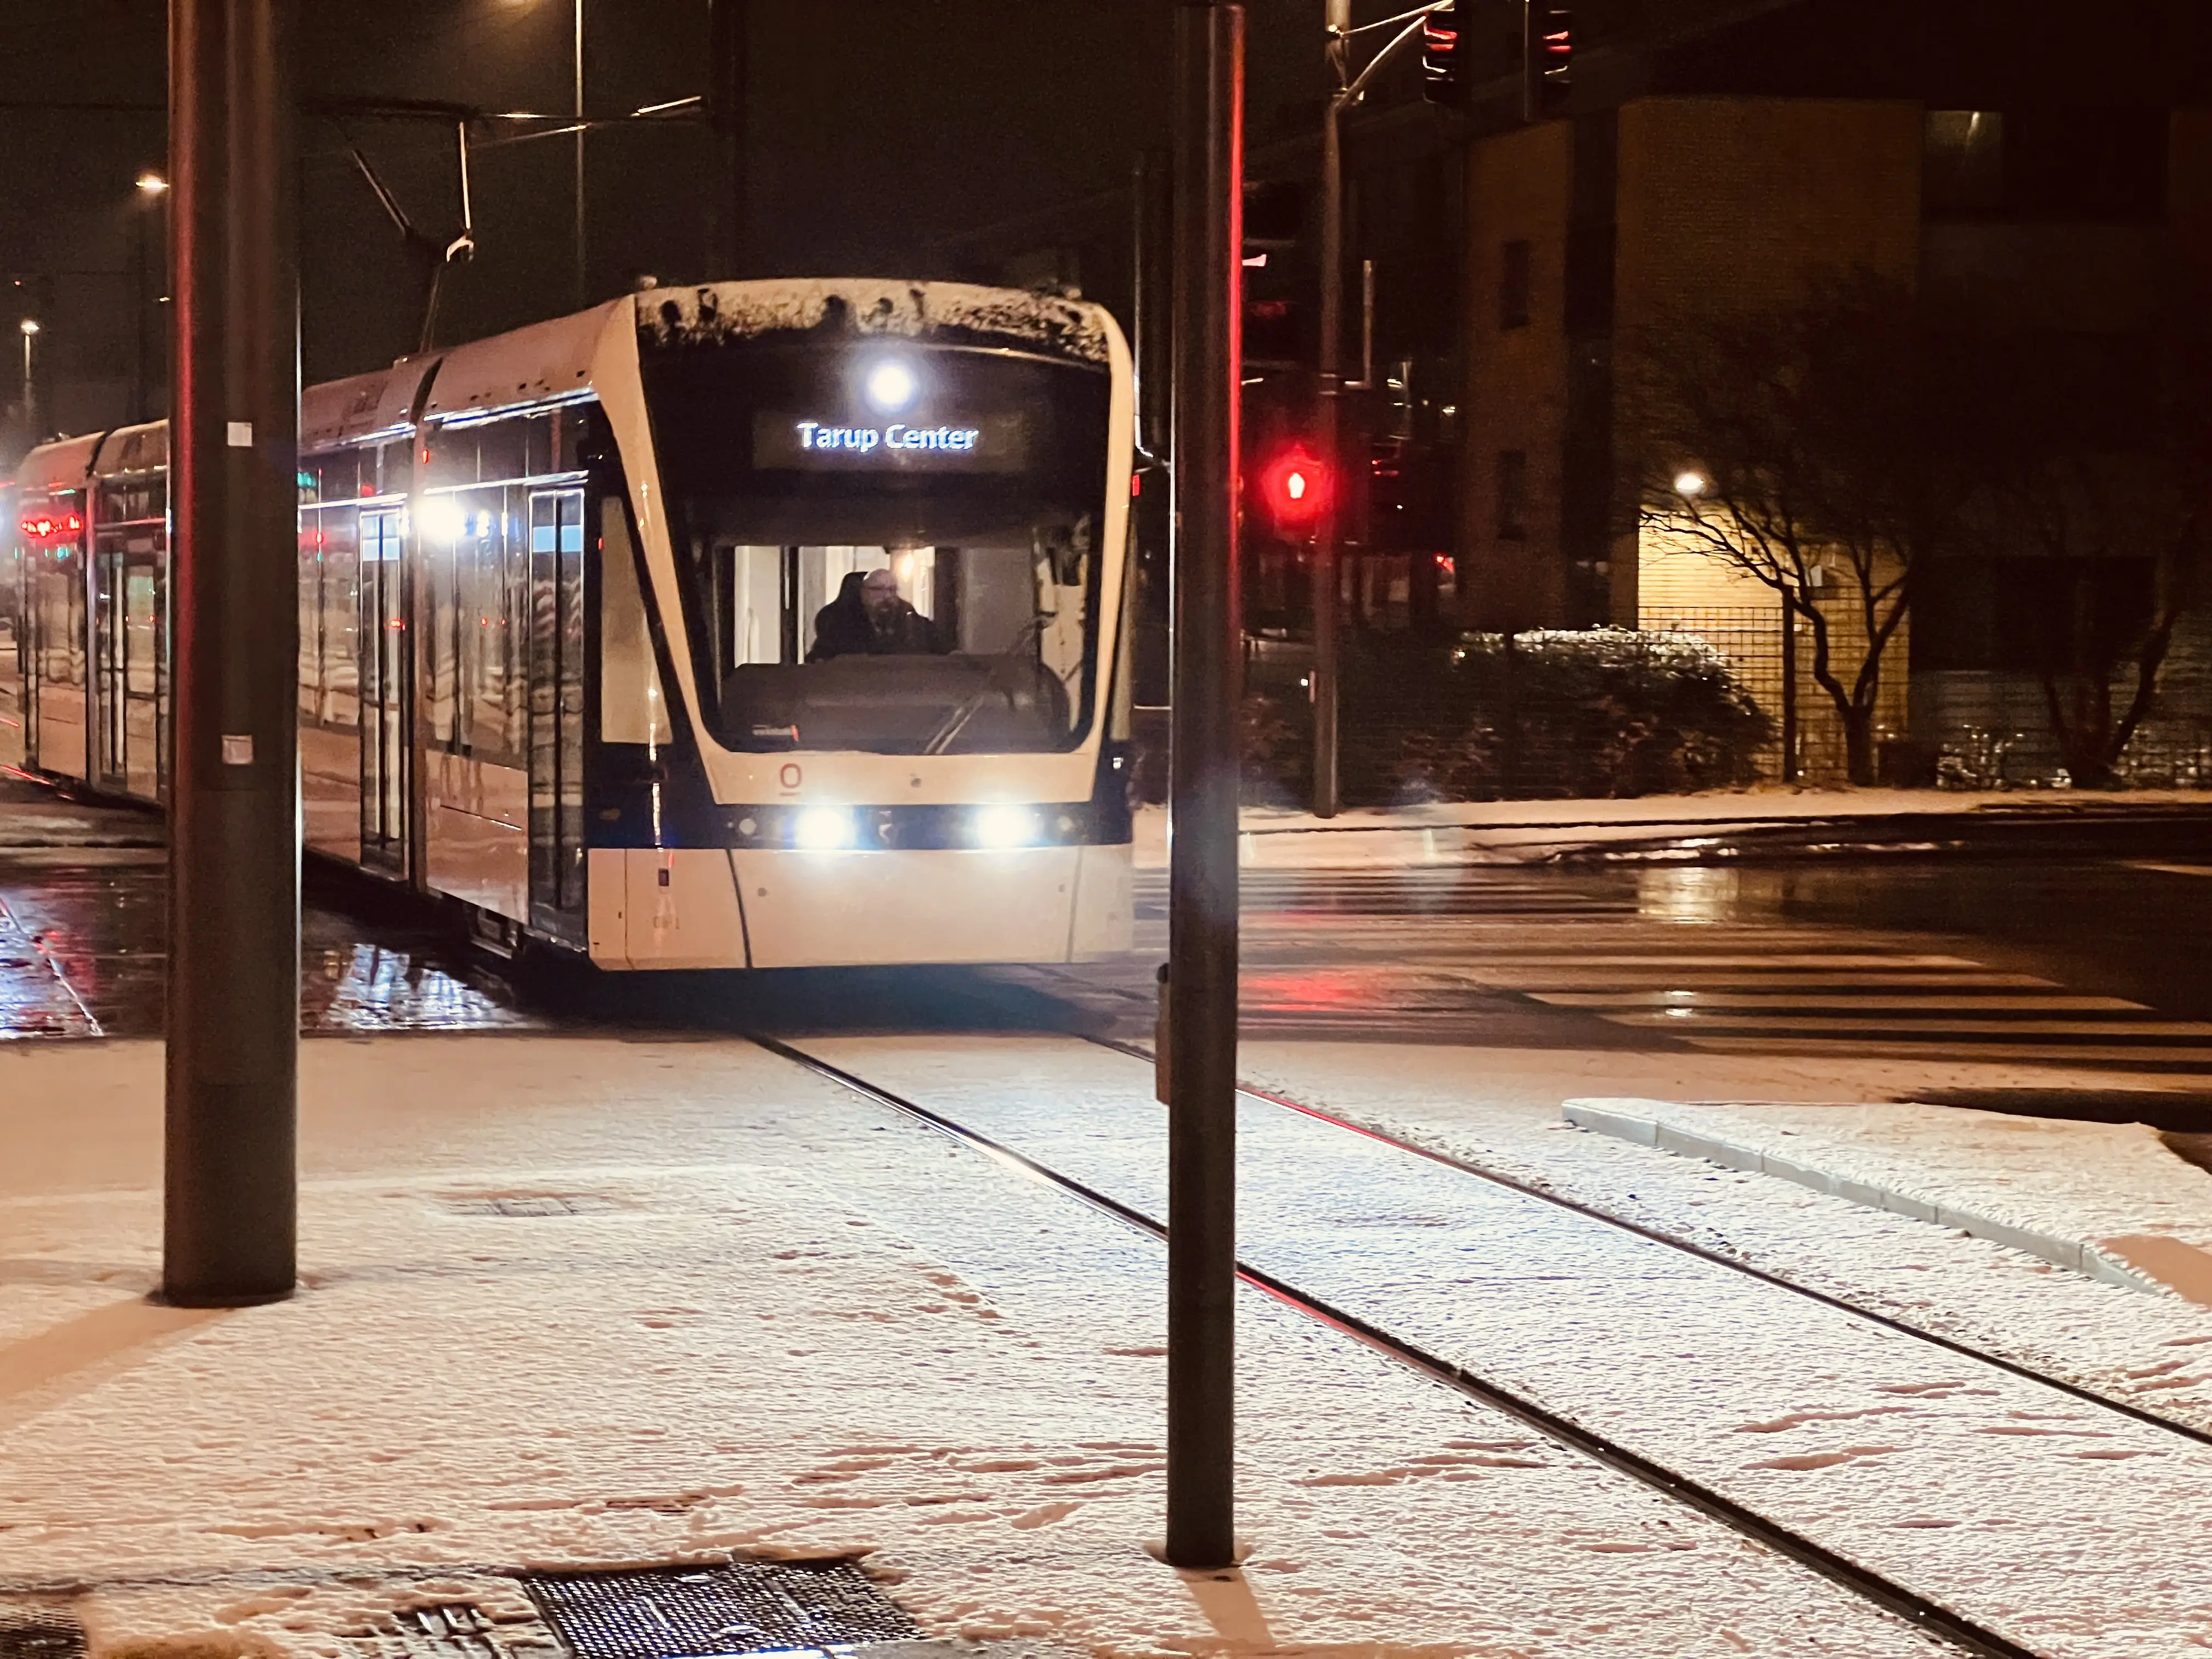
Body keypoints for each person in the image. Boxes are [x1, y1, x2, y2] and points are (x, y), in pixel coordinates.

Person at [807, 566, 946, 661]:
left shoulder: (915, 623)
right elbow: (820, 659)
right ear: (863, 593)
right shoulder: (838, 623)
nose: (887, 596)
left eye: (892, 590)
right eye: (878, 590)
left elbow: (940, 651)